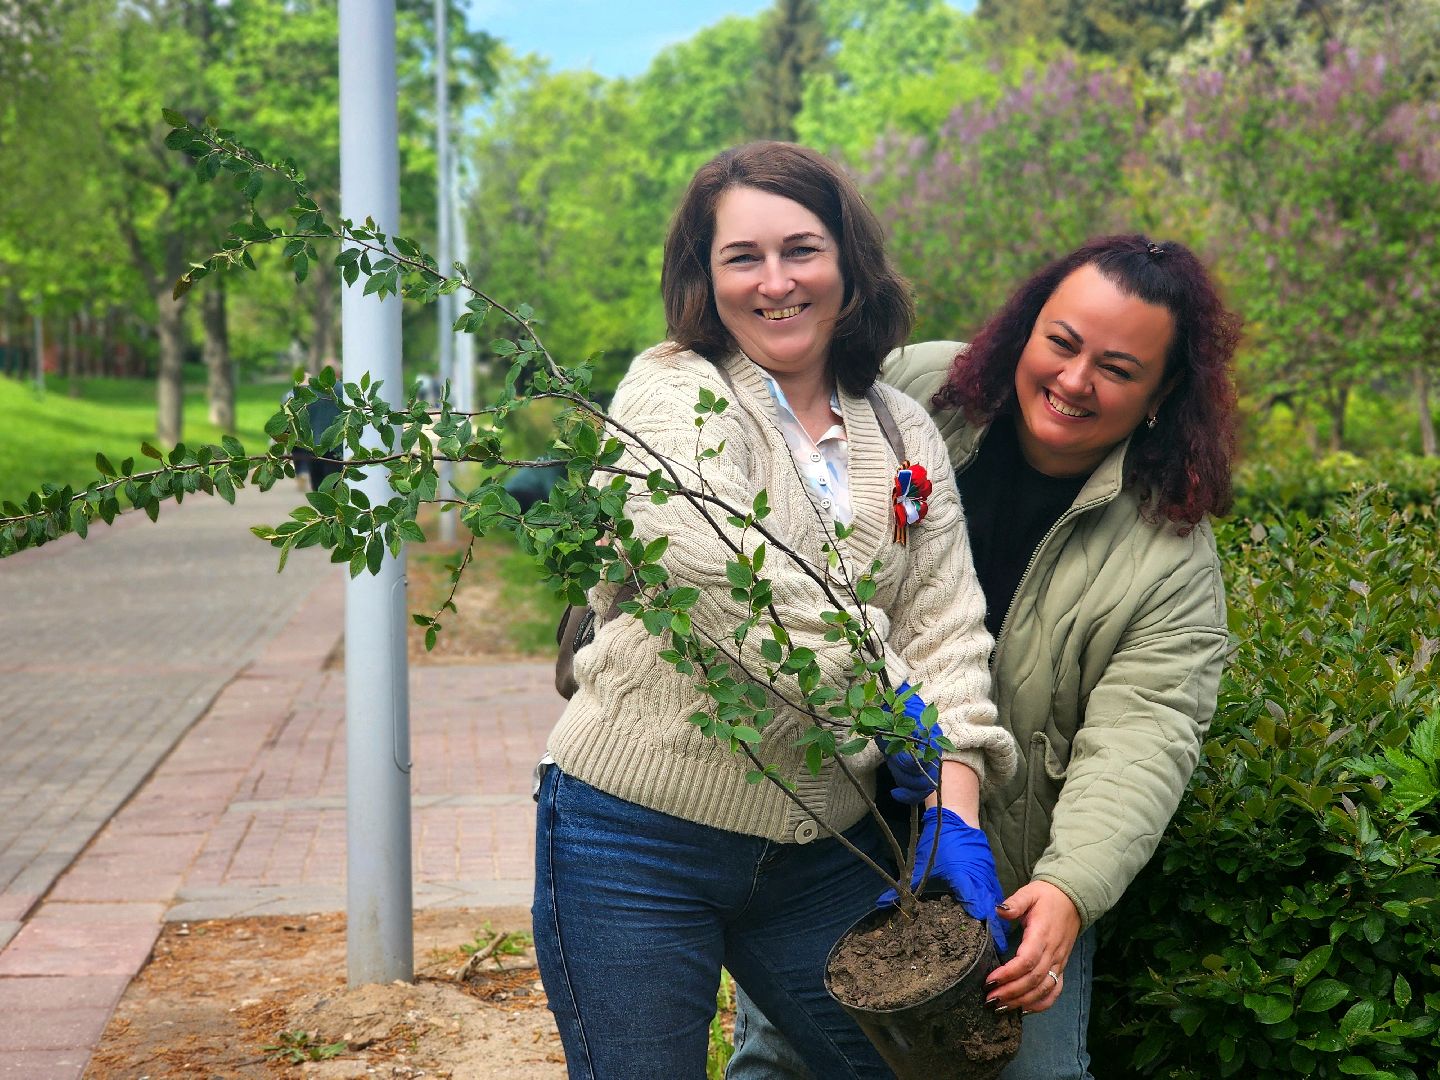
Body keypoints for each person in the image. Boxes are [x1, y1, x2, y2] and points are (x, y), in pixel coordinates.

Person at [531, 141, 1019, 1080]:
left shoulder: (903, 431)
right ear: (704, 278)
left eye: (802, 250)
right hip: (635, 835)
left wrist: (953, 807)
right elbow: (722, 580)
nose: (776, 282)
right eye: (742, 258)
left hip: (823, 850)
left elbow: (946, 629)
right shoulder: (673, 393)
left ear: (848, 262)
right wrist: (890, 706)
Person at [730, 234, 1240, 1080]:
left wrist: (1069, 889)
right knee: (786, 1062)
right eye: (1061, 342)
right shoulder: (912, 391)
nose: (1075, 380)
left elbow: (1144, 739)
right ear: (1025, 328)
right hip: (831, 833)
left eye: (1117, 369)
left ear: (1162, 394)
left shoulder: (1169, 553)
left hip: (1000, 877)